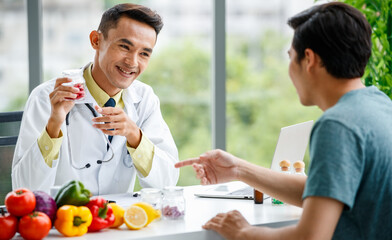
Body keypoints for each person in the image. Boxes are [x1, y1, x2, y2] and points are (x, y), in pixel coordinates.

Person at [175, 2, 392, 239]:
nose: (289, 68)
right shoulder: (380, 105)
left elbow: (310, 236)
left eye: (291, 57)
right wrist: (238, 169)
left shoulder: (337, 125)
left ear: (309, 59)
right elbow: (321, 194)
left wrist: (244, 232)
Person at [12, 3, 179, 195]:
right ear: (96, 40)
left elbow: (167, 182)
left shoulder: (144, 99)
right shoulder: (46, 98)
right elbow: (23, 189)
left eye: (144, 54)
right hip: (63, 221)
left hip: (116, 220)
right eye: (125, 47)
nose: (133, 62)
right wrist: (54, 125)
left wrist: (134, 135)